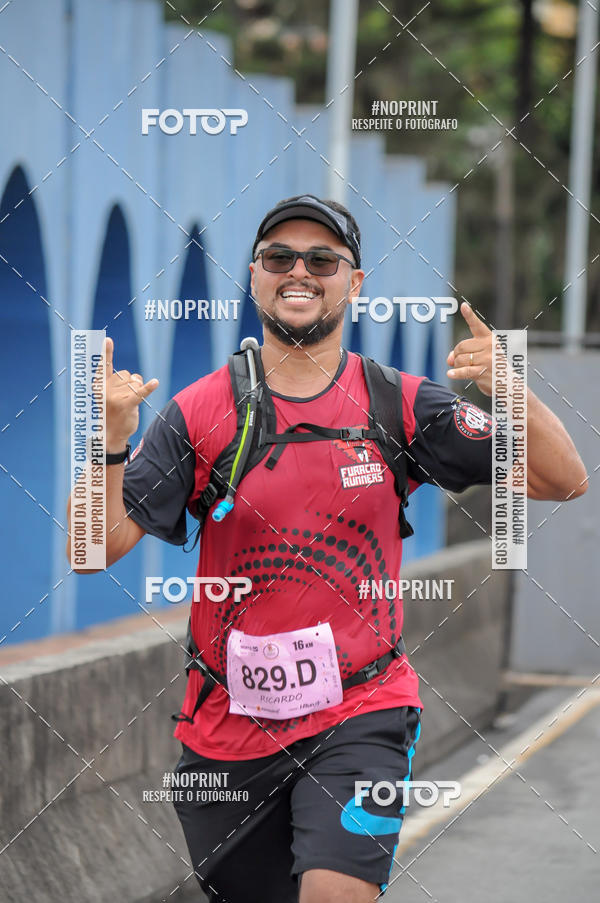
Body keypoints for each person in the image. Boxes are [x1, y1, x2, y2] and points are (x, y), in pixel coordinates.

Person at [67, 194, 587, 903]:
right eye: (280, 258)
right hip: (226, 733)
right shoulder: (201, 411)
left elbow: (563, 479)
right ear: (254, 277)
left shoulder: (398, 403)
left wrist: (509, 387)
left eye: (323, 259)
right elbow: (90, 549)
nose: (300, 272)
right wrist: (111, 438)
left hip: (361, 709)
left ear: (356, 282)